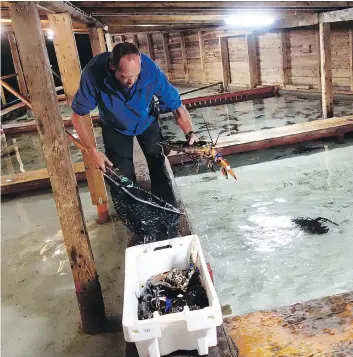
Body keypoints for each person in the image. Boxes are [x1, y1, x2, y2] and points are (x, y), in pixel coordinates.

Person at [71, 42, 198, 204]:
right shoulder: (92, 75)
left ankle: (166, 205)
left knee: (158, 163)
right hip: (114, 126)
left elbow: (176, 106)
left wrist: (189, 132)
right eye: (125, 76)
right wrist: (91, 150)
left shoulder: (151, 71)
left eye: (135, 76)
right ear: (112, 67)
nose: (131, 81)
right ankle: (132, 209)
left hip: (147, 121)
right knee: (122, 174)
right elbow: (77, 115)